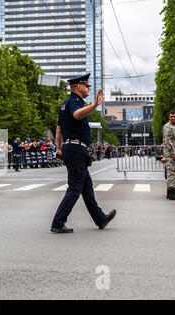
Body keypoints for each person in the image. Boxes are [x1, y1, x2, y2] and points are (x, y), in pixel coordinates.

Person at [51, 73, 116, 233]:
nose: (88, 88)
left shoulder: (64, 103)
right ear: (78, 87)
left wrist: (59, 149)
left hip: (70, 148)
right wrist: (94, 105)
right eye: (86, 86)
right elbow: (76, 115)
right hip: (75, 149)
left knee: (86, 187)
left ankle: (100, 218)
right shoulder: (75, 102)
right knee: (75, 187)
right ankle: (58, 222)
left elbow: (59, 129)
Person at [162, 109, 175, 200]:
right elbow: (167, 141)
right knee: (172, 173)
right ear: (169, 117)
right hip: (172, 155)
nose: (173, 118)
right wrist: (173, 153)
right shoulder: (168, 126)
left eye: (174, 116)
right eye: (171, 116)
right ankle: (172, 193)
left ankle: (170, 193)